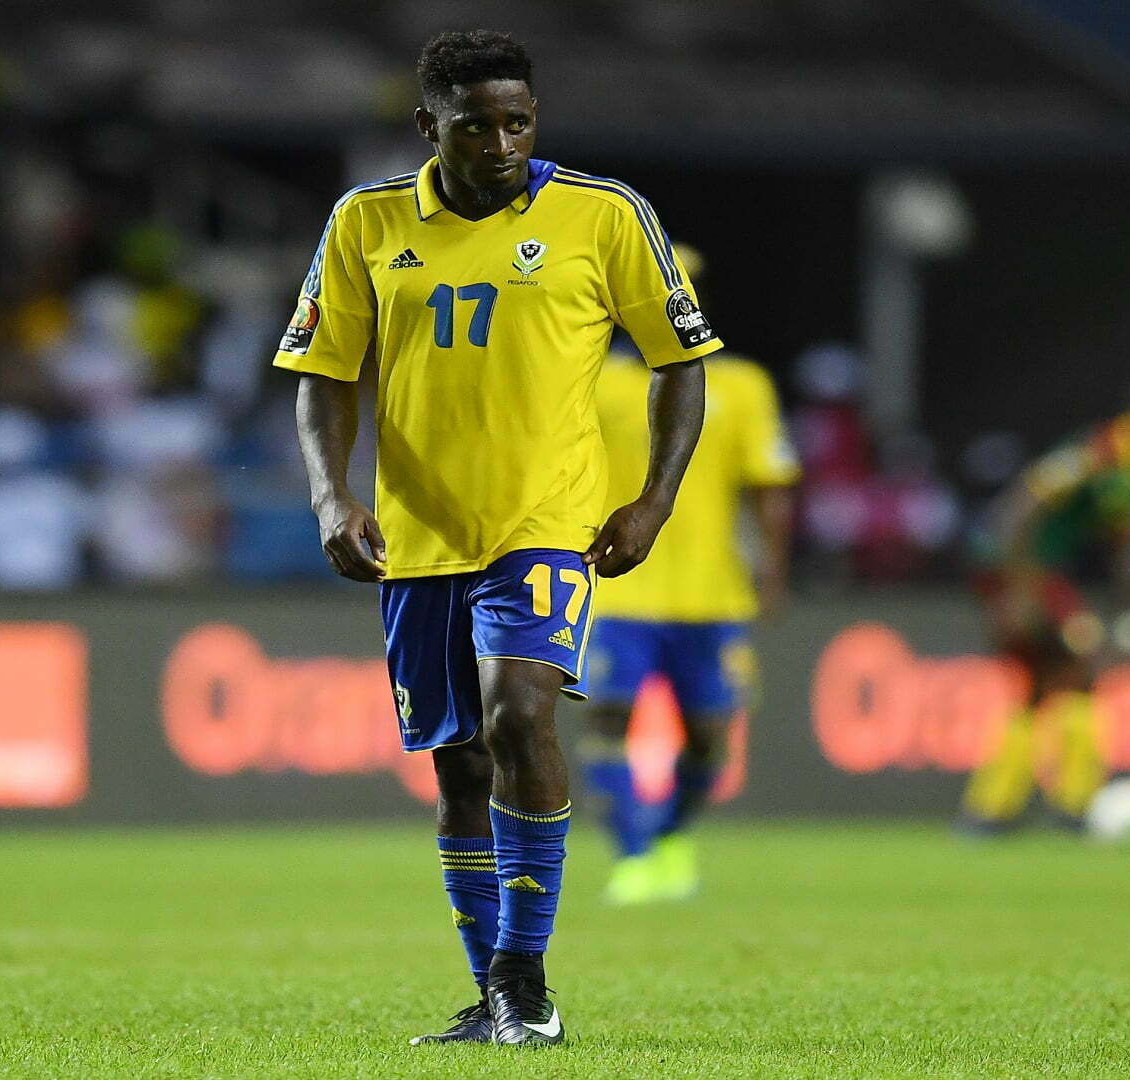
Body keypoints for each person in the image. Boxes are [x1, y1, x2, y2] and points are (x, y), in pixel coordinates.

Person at [276, 31, 718, 1046]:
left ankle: (525, 975)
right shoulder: (368, 221)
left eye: (520, 121)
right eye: (477, 126)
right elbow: (325, 373)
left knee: (523, 720)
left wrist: (651, 499)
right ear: (430, 126)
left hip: (547, 526)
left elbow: (679, 357)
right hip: (420, 536)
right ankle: (497, 997)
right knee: (461, 764)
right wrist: (329, 499)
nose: (503, 143)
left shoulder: (604, 215)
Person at [581, 245, 800, 905]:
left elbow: (770, 486)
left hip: (712, 594)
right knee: (608, 719)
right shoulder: (593, 382)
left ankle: (669, 834)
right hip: (616, 588)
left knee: (710, 738)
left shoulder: (742, 386)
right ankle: (635, 854)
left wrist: (774, 573)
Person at [956, 397, 1130, 833]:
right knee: (1082, 670)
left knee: (1040, 688)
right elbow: (1024, 504)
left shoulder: (1125, 458)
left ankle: (991, 811)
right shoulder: (1110, 451)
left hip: (1025, 574)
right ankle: (1070, 806)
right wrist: (1016, 588)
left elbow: (1117, 538)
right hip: (1024, 574)